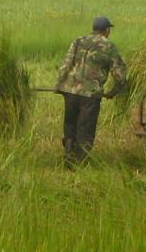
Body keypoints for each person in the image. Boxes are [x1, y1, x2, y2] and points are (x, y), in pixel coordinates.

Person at [55, 15, 128, 166]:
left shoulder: (78, 41)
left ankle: (68, 152)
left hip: (70, 91)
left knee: (70, 123)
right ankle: (80, 164)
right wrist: (113, 92)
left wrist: (59, 86)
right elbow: (120, 75)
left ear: (94, 29)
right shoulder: (108, 46)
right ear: (107, 30)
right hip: (90, 95)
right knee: (85, 127)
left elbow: (65, 64)